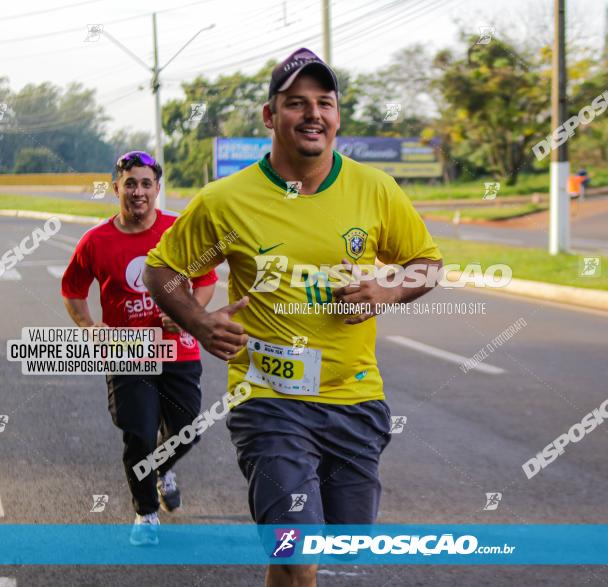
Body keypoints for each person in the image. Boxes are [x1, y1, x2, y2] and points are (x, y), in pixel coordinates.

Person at [143, 47, 443, 586]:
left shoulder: (374, 189)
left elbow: (428, 265)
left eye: (324, 103)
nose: (313, 114)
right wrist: (198, 320)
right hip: (268, 402)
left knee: (344, 552)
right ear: (269, 116)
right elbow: (161, 269)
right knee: (295, 553)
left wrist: (389, 290)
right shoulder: (225, 201)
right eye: (295, 103)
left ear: (337, 116)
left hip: (355, 399)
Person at [61, 151, 218, 546]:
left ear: (157, 189)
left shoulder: (178, 230)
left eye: (146, 183)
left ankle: (163, 472)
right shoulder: (95, 241)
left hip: (178, 349)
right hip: (127, 351)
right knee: (140, 435)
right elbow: (72, 289)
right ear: (116, 188)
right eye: (130, 183)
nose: (138, 191)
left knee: (186, 432)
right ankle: (146, 512)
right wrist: (88, 327)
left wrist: (189, 311)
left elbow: (206, 278)